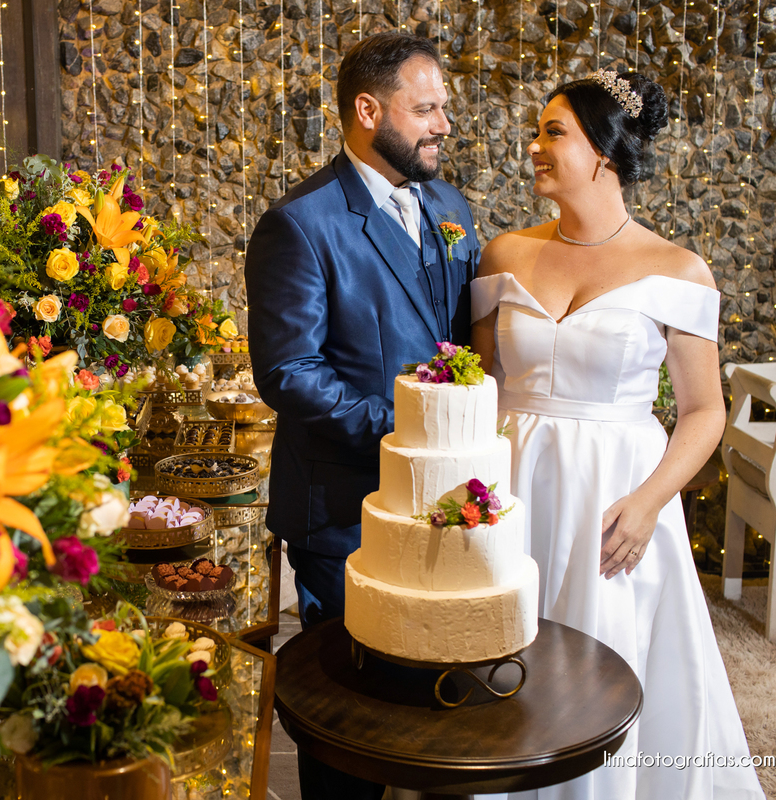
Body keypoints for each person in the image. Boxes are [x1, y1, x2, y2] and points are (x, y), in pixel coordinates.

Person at [470, 71, 765, 799]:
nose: (534, 146)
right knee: (502, 662)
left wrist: (649, 503)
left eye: (553, 132)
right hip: (511, 488)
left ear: (604, 151)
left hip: (617, 497)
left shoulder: (677, 269)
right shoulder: (504, 254)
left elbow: (703, 411)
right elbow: (475, 385)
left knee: (602, 666)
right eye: (537, 131)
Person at [245, 31, 479, 800]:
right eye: (427, 108)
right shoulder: (302, 223)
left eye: (444, 106)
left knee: (438, 690)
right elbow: (288, 373)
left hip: (444, 504)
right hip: (344, 508)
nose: (444, 123)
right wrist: (407, 429)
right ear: (367, 109)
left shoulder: (450, 205)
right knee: (349, 710)